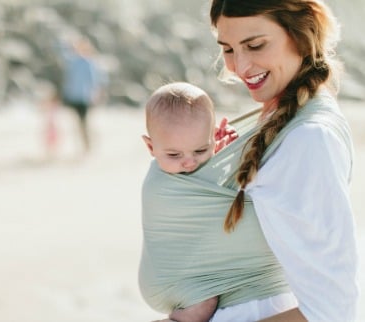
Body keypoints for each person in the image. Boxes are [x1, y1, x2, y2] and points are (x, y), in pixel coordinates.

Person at [141, 1, 359, 321]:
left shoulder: (308, 139)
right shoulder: (280, 116)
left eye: (255, 45)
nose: (240, 66)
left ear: (300, 34)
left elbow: (334, 311)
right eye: (227, 49)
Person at [141, 82, 230, 322]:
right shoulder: (161, 183)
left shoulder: (188, 164)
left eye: (201, 150)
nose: (189, 163)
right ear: (150, 147)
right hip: (171, 277)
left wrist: (222, 152)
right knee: (206, 302)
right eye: (174, 155)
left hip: (185, 268)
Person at [59, 35, 106, 154]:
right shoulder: (73, 61)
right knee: (77, 122)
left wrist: (96, 94)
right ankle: (83, 145)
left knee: (83, 122)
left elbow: (94, 81)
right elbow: (69, 79)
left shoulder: (89, 63)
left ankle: (88, 145)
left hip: (84, 98)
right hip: (73, 97)